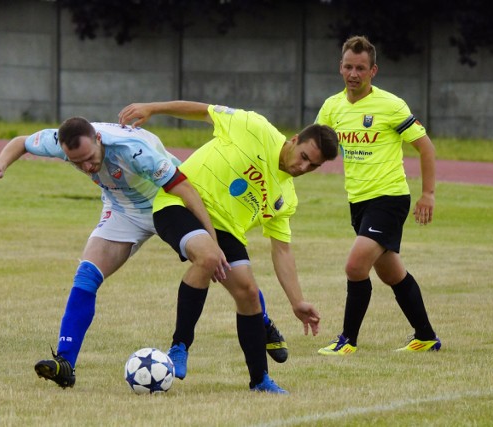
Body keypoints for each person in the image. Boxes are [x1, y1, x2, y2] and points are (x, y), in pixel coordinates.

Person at [0, 118, 289, 389]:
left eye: (89, 158)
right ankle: (65, 364)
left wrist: (210, 234)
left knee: (219, 267)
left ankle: (260, 321)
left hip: (167, 203)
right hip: (123, 210)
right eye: (77, 162)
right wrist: (0, 163)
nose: (86, 167)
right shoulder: (64, 141)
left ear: (99, 140)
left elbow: (183, 187)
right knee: (86, 275)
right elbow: (21, 142)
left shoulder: (133, 151)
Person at [118, 101, 339, 394]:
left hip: (226, 231)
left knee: (248, 293)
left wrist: (297, 301)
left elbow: (282, 250)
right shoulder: (255, 127)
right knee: (208, 258)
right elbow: (202, 111)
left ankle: (259, 379)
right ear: (295, 139)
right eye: (304, 157)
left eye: (313, 166)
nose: (303, 167)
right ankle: (179, 346)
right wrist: (153, 109)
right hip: (179, 204)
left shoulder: (286, 197)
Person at [315, 35, 441, 356]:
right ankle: (426, 336)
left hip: (389, 199)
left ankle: (347, 341)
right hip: (358, 202)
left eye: (360, 68)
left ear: (373, 71)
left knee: (355, 266)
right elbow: (316, 142)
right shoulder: (333, 106)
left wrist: (428, 194)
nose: (353, 73)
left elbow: (425, 147)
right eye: (348, 67)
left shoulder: (391, 105)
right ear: (340, 68)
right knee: (391, 272)